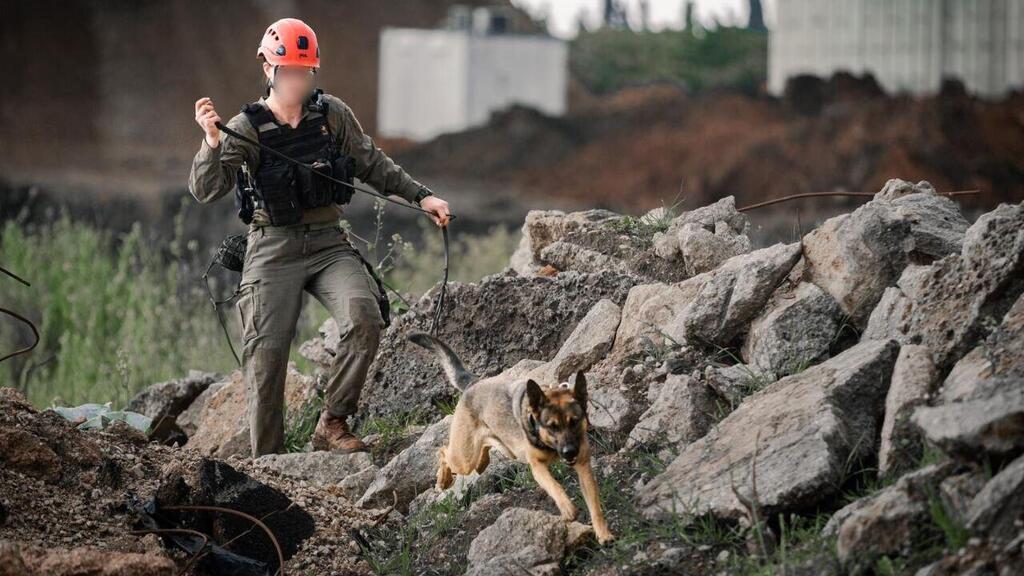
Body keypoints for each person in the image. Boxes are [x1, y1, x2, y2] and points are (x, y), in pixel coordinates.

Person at [189, 17, 450, 458]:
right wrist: (211, 144)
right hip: (273, 247)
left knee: (364, 317)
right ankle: (268, 462)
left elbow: (372, 163)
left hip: (328, 242)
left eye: (305, 72)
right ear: (268, 69)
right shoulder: (247, 128)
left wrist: (422, 197)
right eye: (289, 71)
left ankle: (332, 422)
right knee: (266, 356)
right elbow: (205, 189)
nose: (298, 81)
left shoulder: (332, 116)